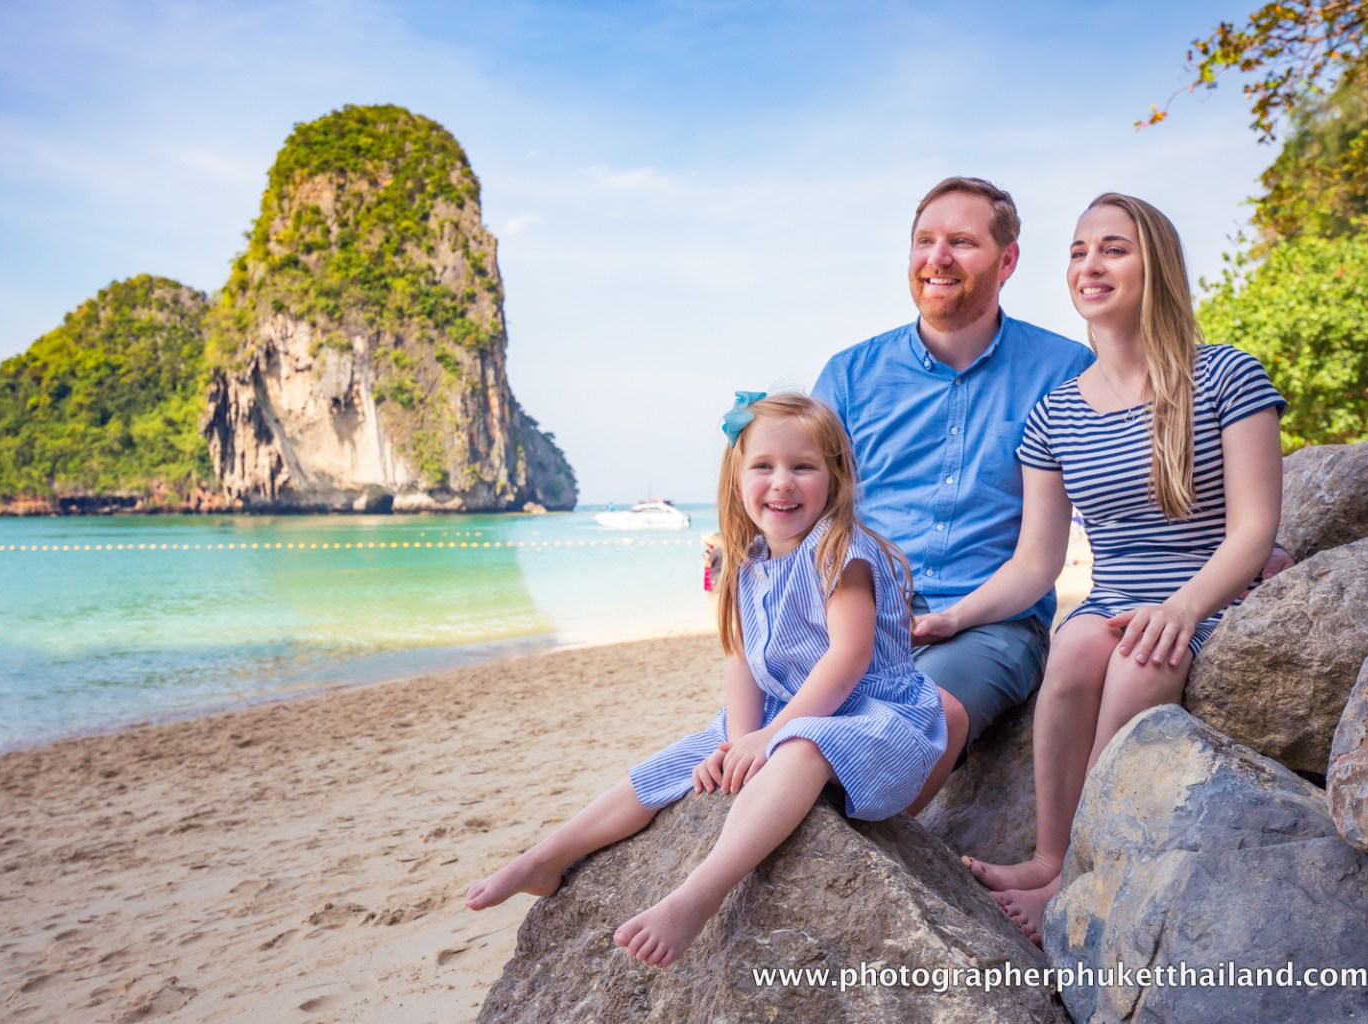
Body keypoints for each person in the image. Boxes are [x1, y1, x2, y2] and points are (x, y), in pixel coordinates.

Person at [917, 193, 1285, 944]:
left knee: (1140, 665)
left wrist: (1183, 608)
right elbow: (1035, 564)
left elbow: (1255, 529)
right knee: (1079, 648)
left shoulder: (1225, 378)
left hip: (1205, 593)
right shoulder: (1054, 415)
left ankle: (1084, 872)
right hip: (1113, 595)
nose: (1090, 265)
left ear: (1158, 265)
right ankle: (1052, 854)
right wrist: (955, 617)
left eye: (1113, 249)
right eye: (1080, 251)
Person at [466, 393, 946, 968]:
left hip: (875, 717)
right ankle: (547, 857)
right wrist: (738, 740)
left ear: (836, 476)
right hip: (785, 710)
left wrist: (769, 739)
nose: (782, 483)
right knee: (673, 765)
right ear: (737, 478)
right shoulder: (745, 560)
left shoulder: (842, 551)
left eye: (803, 466)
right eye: (763, 466)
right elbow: (743, 658)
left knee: (798, 748)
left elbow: (847, 658)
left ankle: (698, 894)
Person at [813, 177, 1096, 813]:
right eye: (924, 241)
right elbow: (809, 521)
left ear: (1008, 260)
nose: (937, 259)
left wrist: (1249, 543)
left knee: (911, 727)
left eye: (961, 242)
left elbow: (1133, 478)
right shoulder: (849, 376)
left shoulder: (1066, 371)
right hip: (861, 618)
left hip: (994, 626)